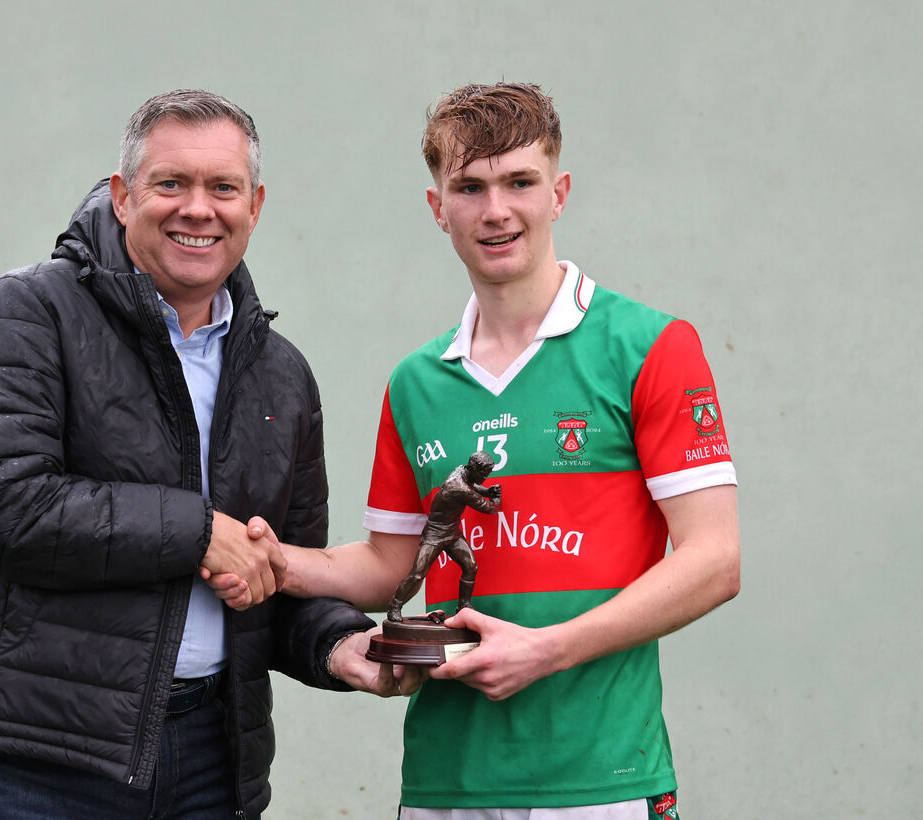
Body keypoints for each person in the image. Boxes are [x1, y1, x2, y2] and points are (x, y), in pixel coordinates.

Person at [216, 82, 741, 819]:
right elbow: (392, 567)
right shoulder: (416, 383)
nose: (496, 210)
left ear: (558, 193)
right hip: (446, 779)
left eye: (519, 182)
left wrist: (547, 649)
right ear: (439, 208)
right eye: (470, 187)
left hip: (603, 778)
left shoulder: (650, 346)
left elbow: (715, 562)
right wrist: (276, 559)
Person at [0, 88, 407, 820]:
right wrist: (199, 530)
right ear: (122, 197)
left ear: (255, 205)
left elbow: (279, 566)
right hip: (45, 758)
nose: (197, 209)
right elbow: (0, 503)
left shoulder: (281, 372)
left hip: (214, 758)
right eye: (170, 184)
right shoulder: (29, 312)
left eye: (223, 188)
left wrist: (340, 645)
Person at [385, 451, 500, 622]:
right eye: (484, 474)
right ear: (473, 469)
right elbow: (488, 508)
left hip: (452, 532)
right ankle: (394, 607)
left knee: (471, 566)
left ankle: (464, 605)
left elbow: (471, 485)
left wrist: (486, 491)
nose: (485, 478)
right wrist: (496, 500)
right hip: (434, 535)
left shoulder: (462, 470)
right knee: (417, 574)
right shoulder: (458, 488)